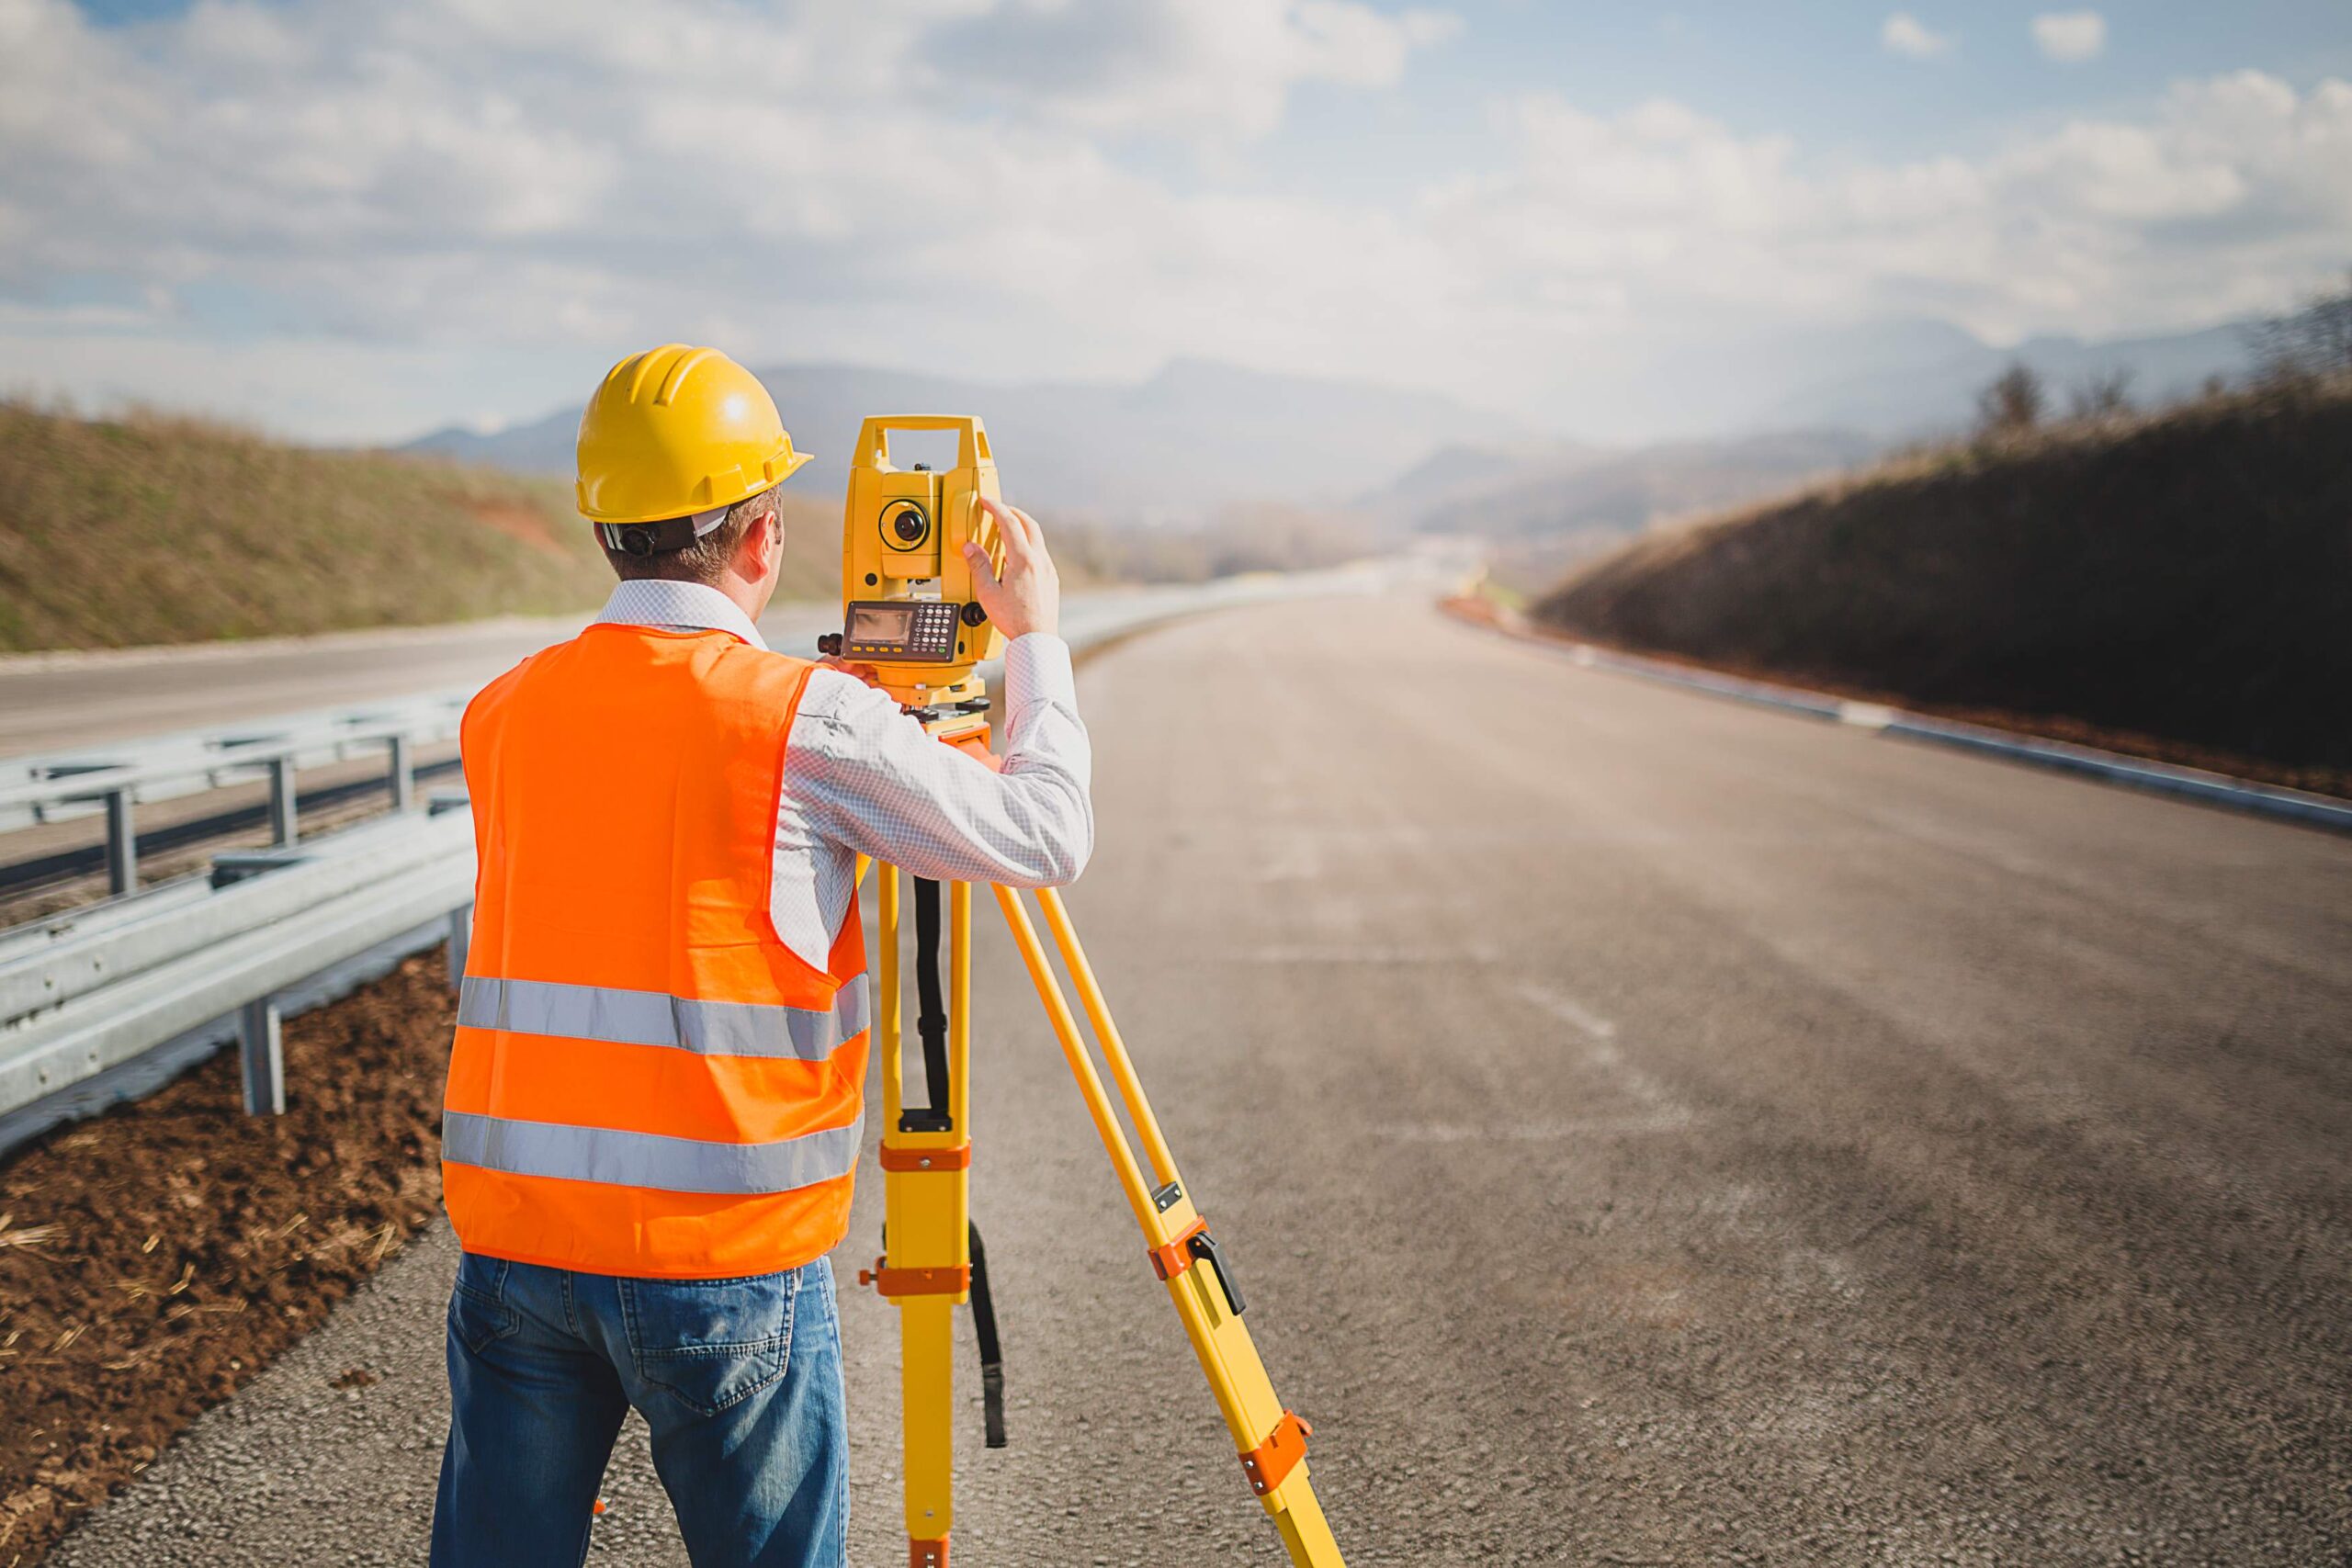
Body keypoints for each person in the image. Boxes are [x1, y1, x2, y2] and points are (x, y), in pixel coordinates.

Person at [428, 344, 1091, 1567]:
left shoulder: (506, 708)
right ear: (764, 536)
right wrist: (1032, 638)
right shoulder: (808, 718)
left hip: (517, 1252)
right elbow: (1045, 832)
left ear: (607, 532)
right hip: (720, 1263)